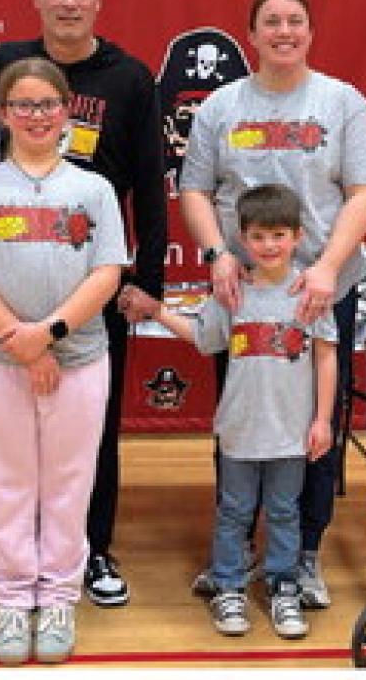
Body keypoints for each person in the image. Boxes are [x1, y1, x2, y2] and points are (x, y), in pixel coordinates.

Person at [179, 0, 366, 609]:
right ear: (252, 35)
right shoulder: (221, 106)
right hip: (243, 290)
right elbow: (195, 190)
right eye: (271, 21)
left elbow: (364, 192)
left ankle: (303, 553)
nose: (284, 31)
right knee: (244, 416)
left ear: (311, 32)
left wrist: (326, 268)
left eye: (295, 20)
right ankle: (237, 547)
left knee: (312, 425)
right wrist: (217, 255)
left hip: (318, 290)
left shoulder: (343, 103)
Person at [0, 0, 166, 608]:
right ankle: (17, 555)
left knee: (90, 430)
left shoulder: (130, 78)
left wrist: (150, 281)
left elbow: (151, 184)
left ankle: (92, 547)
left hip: (93, 281)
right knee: (11, 433)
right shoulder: (5, 65)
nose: (69, 2)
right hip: (8, 274)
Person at [0, 57, 127, 664]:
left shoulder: (93, 190)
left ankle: (60, 595)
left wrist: (49, 334)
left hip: (80, 360)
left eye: (47, 104)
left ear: (66, 110)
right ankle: (15, 599)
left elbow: (107, 273)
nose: (36, 115)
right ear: (3, 113)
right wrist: (17, 340)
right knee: (8, 482)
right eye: (23, 104)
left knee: (69, 484)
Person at [121, 183, 336, 640]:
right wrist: (156, 311)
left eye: (278, 235)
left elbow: (326, 357)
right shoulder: (230, 294)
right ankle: (229, 585)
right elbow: (203, 338)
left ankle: (282, 586)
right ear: (241, 239)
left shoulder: (311, 293)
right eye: (258, 236)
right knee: (234, 511)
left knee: (284, 512)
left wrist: (322, 420)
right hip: (239, 431)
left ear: (297, 236)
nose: (269, 245)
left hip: (291, 433)